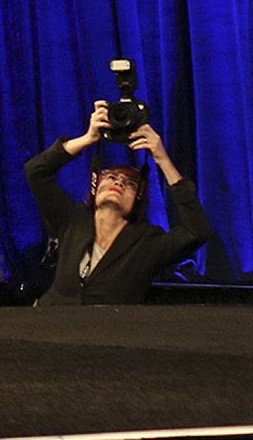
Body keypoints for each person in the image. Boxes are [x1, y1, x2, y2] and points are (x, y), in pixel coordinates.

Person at [23, 101, 214, 305]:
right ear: (95, 186)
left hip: (109, 332)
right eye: (110, 177)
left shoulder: (147, 242)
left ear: (138, 199)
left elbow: (198, 231)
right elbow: (36, 172)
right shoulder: (72, 218)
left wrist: (162, 158)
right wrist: (88, 139)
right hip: (50, 325)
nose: (118, 183)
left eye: (129, 183)